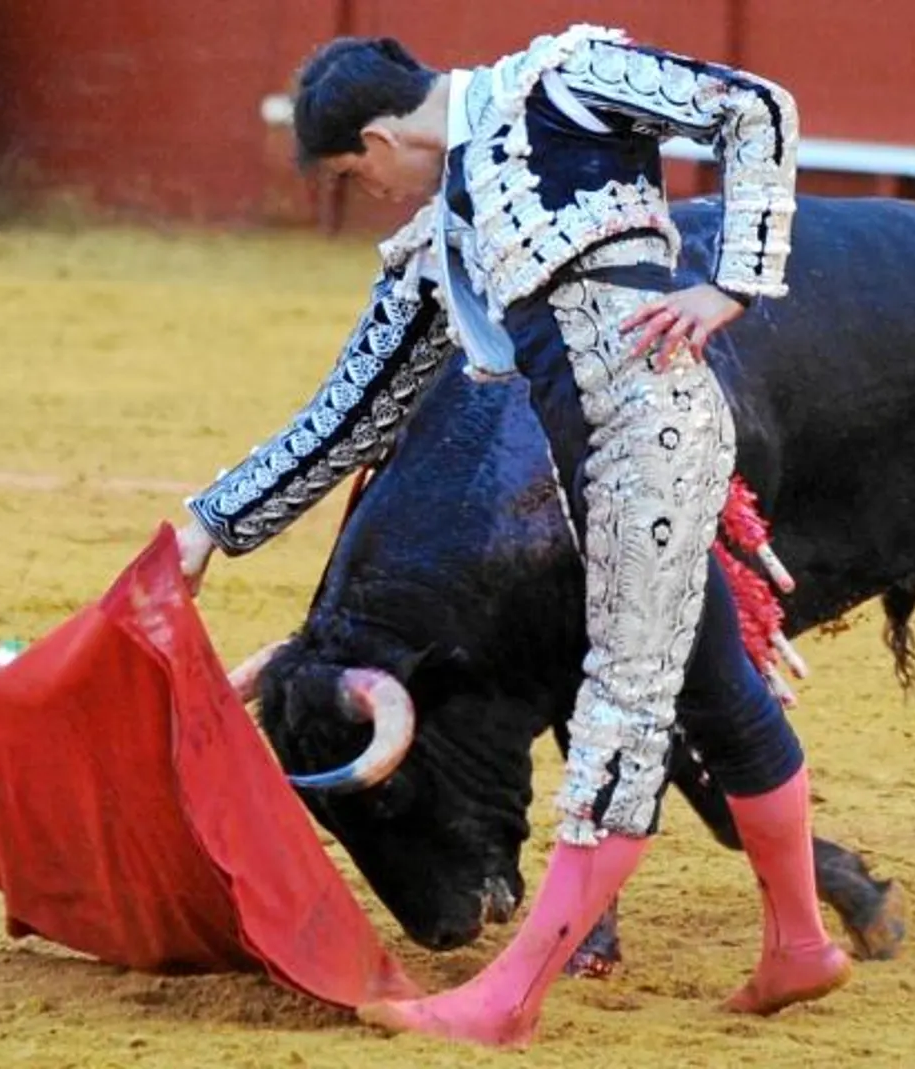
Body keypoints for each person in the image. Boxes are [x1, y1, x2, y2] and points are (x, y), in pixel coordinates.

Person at [172, 23, 848, 1049]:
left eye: (358, 173)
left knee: (619, 713)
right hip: (599, 469)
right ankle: (798, 944)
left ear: (381, 136)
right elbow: (356, 409)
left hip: (651, 443)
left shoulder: (563, 81)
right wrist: (211, 525)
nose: (375, 193)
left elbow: (752, 106)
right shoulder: (448, 230)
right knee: (717, 691)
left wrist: (734, 283)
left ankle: (509, 995)